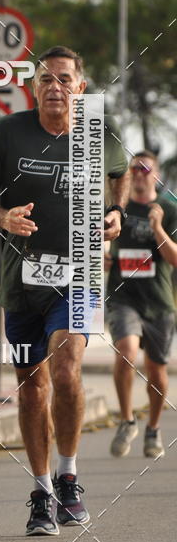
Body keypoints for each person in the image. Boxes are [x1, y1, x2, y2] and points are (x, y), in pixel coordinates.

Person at [0, 46, 129, 536]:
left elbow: (120, 174)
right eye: (45, 79)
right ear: (32, 87)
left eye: (63, 79)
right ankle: (41, 491)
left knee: (65, 365)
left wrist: (117, 211)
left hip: (80, 275)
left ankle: (69, 476)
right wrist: (3, 218)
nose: (54, 87)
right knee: (31, 385)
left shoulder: (98, 132)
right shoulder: (8, 132)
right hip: (22, 282)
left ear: (80, 87)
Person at [106, 150, 177, 459]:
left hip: (158, 301)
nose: (138, 173)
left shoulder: (169, 209)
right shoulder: (118, 207)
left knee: (156, 371)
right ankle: (127, 420)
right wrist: (103, 258)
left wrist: (158, 228)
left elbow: (175, 259)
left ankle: (153, 428)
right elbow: (100, 243)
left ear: (155, 175)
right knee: (126, 352)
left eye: (145, 169)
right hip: (123, 297)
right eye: (134, 168)